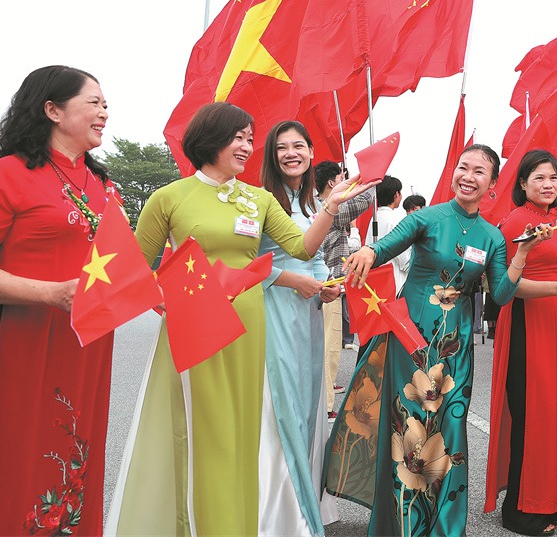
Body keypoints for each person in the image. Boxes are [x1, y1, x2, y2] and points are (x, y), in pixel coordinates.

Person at [106, 103, 376, 535]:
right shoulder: (170, 197)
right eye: (239, 137)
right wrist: (166, 300)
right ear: (210, 138)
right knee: (200, 433)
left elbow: (303, 249)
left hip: (249, 331)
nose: (248, 146)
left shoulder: (259, 198)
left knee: (242, 436)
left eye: (251, 138)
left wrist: (329, 207)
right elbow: (135, 267)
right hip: (195, 330)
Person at [326, 144, 549, 536]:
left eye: (480, 171)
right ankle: (403, 524)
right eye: (463, 167)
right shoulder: (427, 218)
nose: (468, 175)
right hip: (410, 340)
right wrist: (366, 250)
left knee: (449, 433)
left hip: (456, 350)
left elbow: (499, 294)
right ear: (454, 174)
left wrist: (522, 254)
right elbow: (385, 246)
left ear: (492, 184)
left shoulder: (493, 237)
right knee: (408, 428)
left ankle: (445, 527)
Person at [0, 66, 119, 535]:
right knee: (17, 457)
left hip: (86, 347)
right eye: (95, 102)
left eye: (106, 104)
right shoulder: (6, 176)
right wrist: (49, 293)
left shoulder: (104, 188)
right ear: (53, 110)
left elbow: (119, 269)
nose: (105, 112)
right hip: (21, 344)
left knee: (75, 456)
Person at [484, 149, 557, 536]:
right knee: (528, 414)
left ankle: (543, 500)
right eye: (539, 178)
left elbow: (546, 273)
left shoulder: (550, 220)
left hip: (545, 321)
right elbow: (505, 287)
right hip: (523, 322)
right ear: (523, 183)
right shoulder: (517, 221)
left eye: (553, 178)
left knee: (544, 414)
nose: (548, 185)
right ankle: (521, 510)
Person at [257, 121, 348, 535]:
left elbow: (313, 258)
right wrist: (290, 280)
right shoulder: (258, 201)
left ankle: (306, 497)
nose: (291, 153)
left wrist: (326, 284)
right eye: (281, 148)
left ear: (312, 152)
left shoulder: (313, 205)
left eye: (298, 146)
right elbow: (246, 264)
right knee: (282, 404)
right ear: (271, 157)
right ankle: (281, 513)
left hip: (309, 311)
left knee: (311, 403)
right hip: (274, 307)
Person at [315, 160, 375, 417]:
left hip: (317, 287)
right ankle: (326, 405)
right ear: (332, 182)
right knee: (328, 350)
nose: (347, 180)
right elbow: (364, 200)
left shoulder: (312, 207)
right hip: (327, 289)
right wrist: (372, 175)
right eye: (342, 176)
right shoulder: (330, 210)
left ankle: (322, 401)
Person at [366, 175, 411, 291]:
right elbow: (405, 261)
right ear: (396, 195)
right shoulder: (396, 221)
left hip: (375, 282)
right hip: (394, 283)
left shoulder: (374, 219)